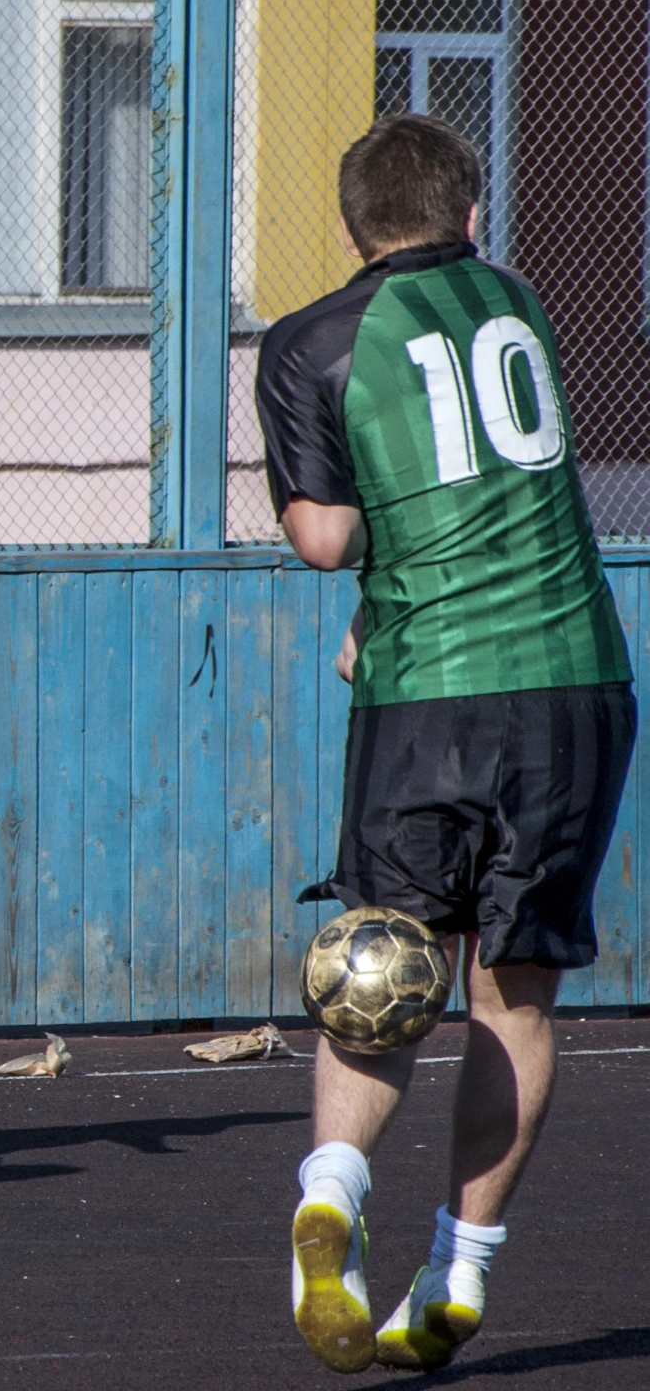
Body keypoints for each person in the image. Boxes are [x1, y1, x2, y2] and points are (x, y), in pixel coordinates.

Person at [261, 115, 633, 1374]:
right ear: (471, 214)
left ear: (355, 226)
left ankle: (330, 1189)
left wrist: (375, 577)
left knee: (383, 963)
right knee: (512, 995)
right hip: (574, 681)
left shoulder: (315, 339)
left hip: (429, 694)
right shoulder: (520, 301)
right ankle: (460, 1266)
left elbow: (321, 536)